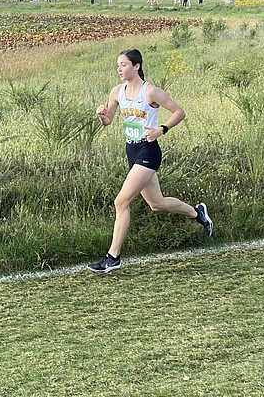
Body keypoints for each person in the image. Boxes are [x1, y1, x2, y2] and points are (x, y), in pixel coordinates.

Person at [88, 49, 213, 274]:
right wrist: (101, 115)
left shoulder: (151, 92)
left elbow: (179, 112)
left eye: (124, 64)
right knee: (157, 204)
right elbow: (108, 121)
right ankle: (198, 213)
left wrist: (161, 129)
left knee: (121, 202)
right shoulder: (117, 92)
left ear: (137, 66)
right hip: (132, 150)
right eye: (118, 65)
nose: (119, 68)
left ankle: (112, 257)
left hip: (149, 151)